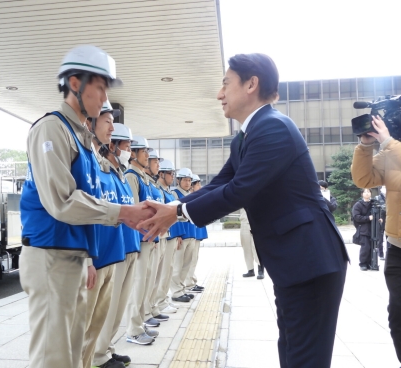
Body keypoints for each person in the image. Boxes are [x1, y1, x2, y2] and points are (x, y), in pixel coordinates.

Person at [138, 53, 349, 368]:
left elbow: (239, 191)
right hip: (295, 262)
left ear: (252, 84)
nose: (219, 94)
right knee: (292, 351)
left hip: (311, 260)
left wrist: (179, 214)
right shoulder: (247, 136)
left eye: (225, 84)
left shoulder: (273, 127)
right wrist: (172, 207)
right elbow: (218, 184)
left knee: (305, 358)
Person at [19, 45, 152, 368]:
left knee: (74, 354)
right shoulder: (51, 129)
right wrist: (123, 213)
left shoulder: (83, 140)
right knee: (54, 357)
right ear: (75, 84)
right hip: (51, 256)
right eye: (100, 86)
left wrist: (90, 257)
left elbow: (90, 205)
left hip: (73, 257)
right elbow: (62, 202)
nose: (104, 96)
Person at [351, 114, 401, 364]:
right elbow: (364, 179)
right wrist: (365, 144)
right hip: (397, 247)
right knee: (398, 316)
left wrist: (388, 141)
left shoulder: (393, 147)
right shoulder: (393, 152)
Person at [82, 101, 126, 368]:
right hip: (94, 259)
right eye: (106, 120)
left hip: (110, 255)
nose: (111, 126)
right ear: (90, 123)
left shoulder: (102, 165)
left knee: (95, 328)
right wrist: (87, 259)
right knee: (81, 331)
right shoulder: (85, 162)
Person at [94, 123, 140, 368]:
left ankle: (108, 349)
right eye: (126, 146)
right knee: (107, 309)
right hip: (110, 251)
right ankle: (97, 355)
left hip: (126, 247)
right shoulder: (101, 174)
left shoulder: (120, 176)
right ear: (111, 146)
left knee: (118, 308)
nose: (129, 151)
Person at [124, 136, 159, 345]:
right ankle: (133, 330)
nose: (147, 155)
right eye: (143, 151)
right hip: (140, 238)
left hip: (148, 238)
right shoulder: (131, 176)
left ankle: (139, 323)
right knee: (138, 285)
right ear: (133, 154)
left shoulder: (142, 177)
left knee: (145, 283)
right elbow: (135, 213)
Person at [144, 150, 171, 324]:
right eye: (155, 161)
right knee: (143, 282)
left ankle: (151, 309)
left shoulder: (151, 184)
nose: (156, 164)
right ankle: (141, 319)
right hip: (145, 239)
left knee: (155, 277)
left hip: (157, 238)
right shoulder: (134, 178)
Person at [154, 159, 184, 314]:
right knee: (162, 271)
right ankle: (158, 302)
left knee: (168, 270)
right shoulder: (158, 190)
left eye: (173, 173)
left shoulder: (167, 192)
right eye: (170, 173)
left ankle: (163, 300)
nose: (172, 176)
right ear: (161, 174)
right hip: (163, 236)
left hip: (170, 234)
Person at [170, 168, 197, 303]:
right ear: (179, 180)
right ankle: (175, 292)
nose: (187, 182)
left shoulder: (190, 194)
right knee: (177, 265)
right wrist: (178, 234)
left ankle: (182, 289)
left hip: (191, 233)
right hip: (181, 234)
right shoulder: (174, 193)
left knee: (187, 264)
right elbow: (172, 215)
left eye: (189, 180)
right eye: (185, 180)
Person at [185, 174, 206, 293]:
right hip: (191, 232)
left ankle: (191, 281)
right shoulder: (190, 197)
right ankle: (188, 283)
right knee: (189, 260)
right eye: (198, 184)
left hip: (196, 231)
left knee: (194, 259)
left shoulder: (195, 197)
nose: (200, 186)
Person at [352, 188, 374, 271]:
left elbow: (379, 213)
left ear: (371, 193)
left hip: (373, 229)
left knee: (373, 247)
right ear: (362, 194)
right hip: (363, 229)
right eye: (365, 192)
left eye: (368, 192)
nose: (367, 193)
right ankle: (363, 264)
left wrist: (379, 219)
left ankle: (371, 263)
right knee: (365, 247)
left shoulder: (374, 203)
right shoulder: (358, 204)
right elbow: (356, 217)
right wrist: (368, 218)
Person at [239, 208, 264, 279]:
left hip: (255, 221)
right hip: (244, 221)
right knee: (246, 247)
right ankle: (250, 270)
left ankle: (260, 270)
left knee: (256, 247)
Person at [374, 186, 387, 260]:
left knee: (390, 239)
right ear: (381, 189)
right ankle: (381, 254)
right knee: (380, 239)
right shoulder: (377, 198)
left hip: (389, 220)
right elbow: (375, 210)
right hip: (380, 220)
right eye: (384, 187)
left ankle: (389, 255)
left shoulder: (391, 198)